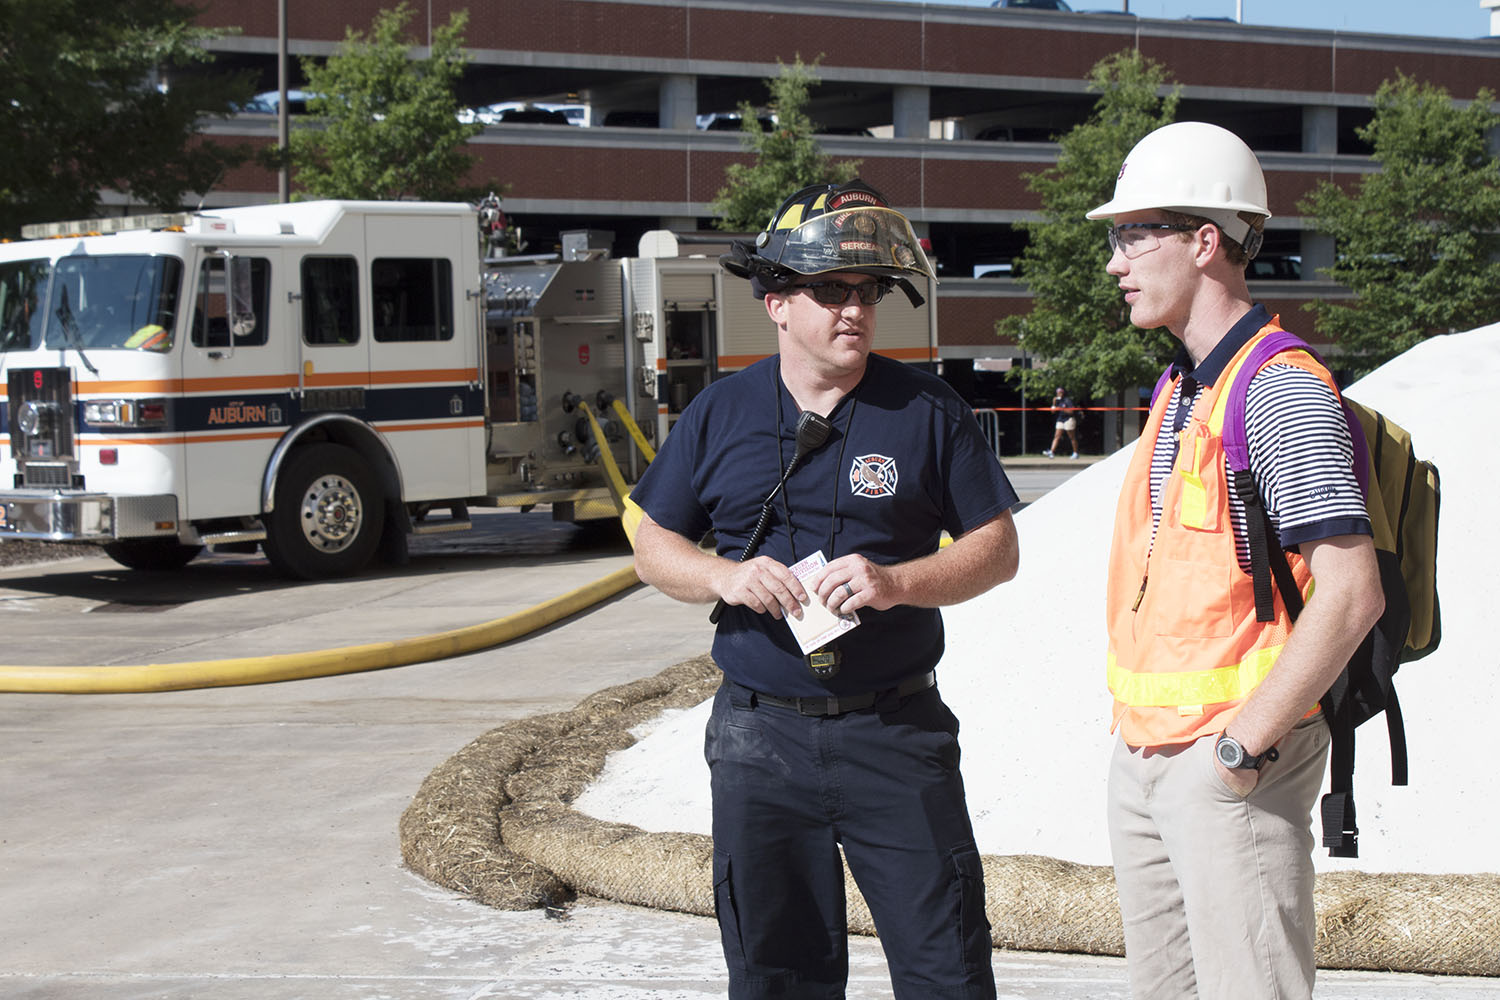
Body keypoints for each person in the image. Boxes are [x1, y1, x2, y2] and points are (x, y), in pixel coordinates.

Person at [630, 178, 1020, 999]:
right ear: (775, 300)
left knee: (946, 968)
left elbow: (998, 548)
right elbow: (651, 541)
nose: (855, 311)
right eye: (831, 291)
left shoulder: (927, 409)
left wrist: (898, 581)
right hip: (758, 743)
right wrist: (723, 576)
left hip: (896, 736)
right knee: (778, 975)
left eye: (868, 293)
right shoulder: (719, 412)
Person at [1087, 121, 1385, 999]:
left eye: (1133, 235)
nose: (1116, 262)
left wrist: (1242, 749)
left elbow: (1352, 592)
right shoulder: (1184, 386)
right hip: (1147, 754)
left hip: (1230, 765)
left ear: (1205, 241)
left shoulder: (1280, 387)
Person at [1042, 386, 1079, 458]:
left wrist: (1062, 409)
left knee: (1072, 437)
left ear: (1063, 393)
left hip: (1068, 419)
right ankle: (1052, 452)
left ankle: (1075, 453)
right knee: (1056, 436)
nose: (1059, 394)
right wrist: (1054, 403)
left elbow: (1071, 411)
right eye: (1058, 392)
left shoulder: (1067, 400)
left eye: (1060, 392)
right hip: (1060, 419)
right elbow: (1052, 411)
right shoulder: (1058, 401)